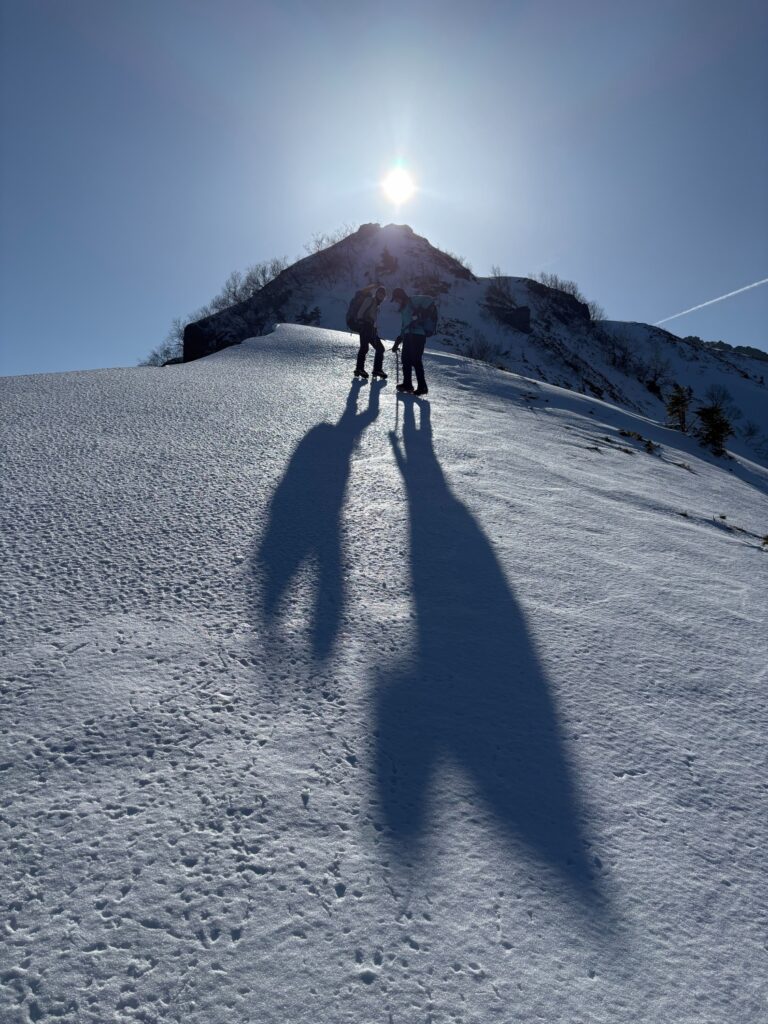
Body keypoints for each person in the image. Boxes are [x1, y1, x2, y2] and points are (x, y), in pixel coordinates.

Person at [391, 288, 435, 395]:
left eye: (396, 299)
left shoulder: (412, 301)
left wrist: (420, 317)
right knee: (406, 360)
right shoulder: (403, 309)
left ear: (401, 296)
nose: (396, 302)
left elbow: (430, 300)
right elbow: (404, 326)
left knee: (416, 360)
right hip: (408, 336)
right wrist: (398, 340)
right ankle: (407, 384)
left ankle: (422, 387)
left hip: (418, 335)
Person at [354, 286, 387, 380]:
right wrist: (363, 322)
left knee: (379, 348)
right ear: (376, 293)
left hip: (371, 329)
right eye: (380, 294)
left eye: (383, 295)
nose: (381, 296)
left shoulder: (377, 305)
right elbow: (360, 313)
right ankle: (360, 369)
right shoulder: (370, 300)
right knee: (365, 348)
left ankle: (375, 370)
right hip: (365, 327)